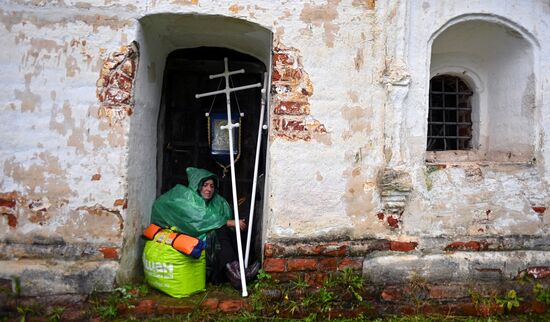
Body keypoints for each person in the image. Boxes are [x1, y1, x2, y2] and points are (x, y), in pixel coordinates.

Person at [151, 167, 259, 289]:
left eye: (212, 186)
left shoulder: (217, 202)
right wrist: (227, 222)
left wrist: (233, 225)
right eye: (205, 185)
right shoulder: (187, 198)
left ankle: (239, 270)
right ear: (198, 186)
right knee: (219, 230)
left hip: (213, 244)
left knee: (233, 231)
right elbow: (198, 219)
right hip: (193, 242)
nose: (208, 189)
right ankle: (236, 274)